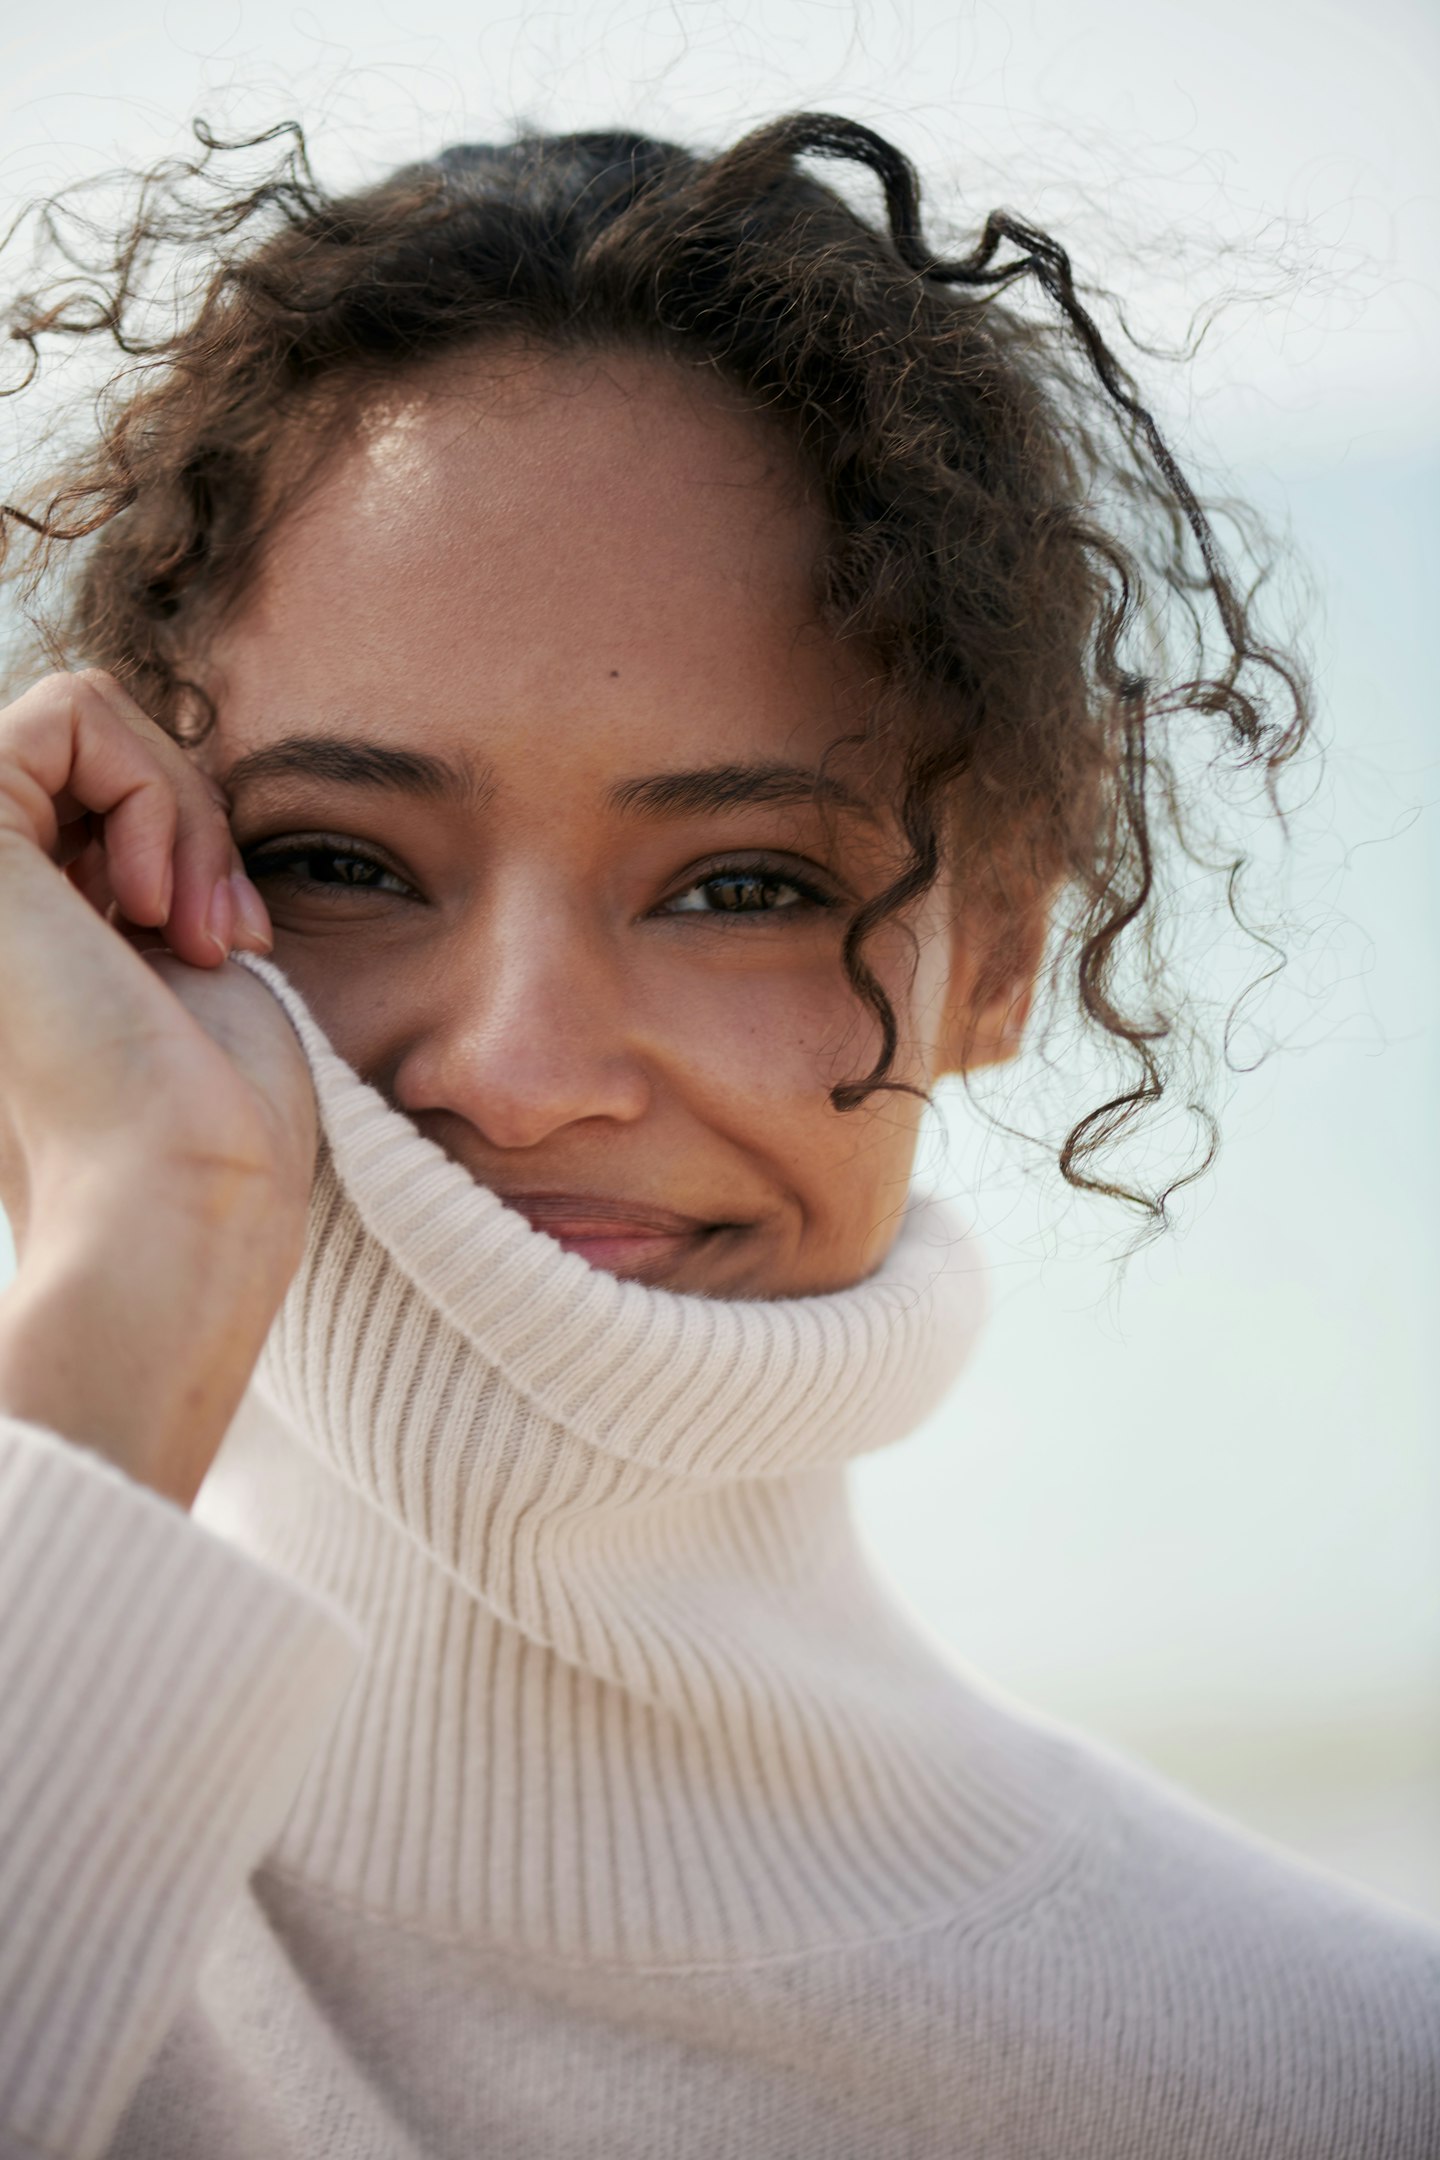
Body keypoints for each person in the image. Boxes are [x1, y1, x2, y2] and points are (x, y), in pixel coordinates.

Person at [0, 113, 1434, 2160]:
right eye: (337, 859)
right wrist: (129, 1248)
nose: (518, 1067)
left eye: (744, 883)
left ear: (1002, 948)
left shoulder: (1340, 2080)